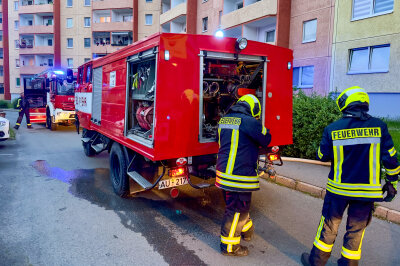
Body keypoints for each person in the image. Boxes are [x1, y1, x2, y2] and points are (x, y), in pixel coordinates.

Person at [301, 86, 400, 266]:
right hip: (366, 193)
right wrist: (392, 182)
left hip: (338, 191)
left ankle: (316, 262)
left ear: (345, 104)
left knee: (329, 226)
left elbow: (321, 156)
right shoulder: (380, 127)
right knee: (356, 230)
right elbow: (391, 158)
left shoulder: (333, 128)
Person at [216, 94, 271, 256]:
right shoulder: (250, 122)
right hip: (239, 176)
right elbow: (266, 139)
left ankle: (247, 231)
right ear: (253, 109)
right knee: (236, 211)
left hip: (223, 173)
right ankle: (229, 247)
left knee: (238, 207)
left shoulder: (224, 120)